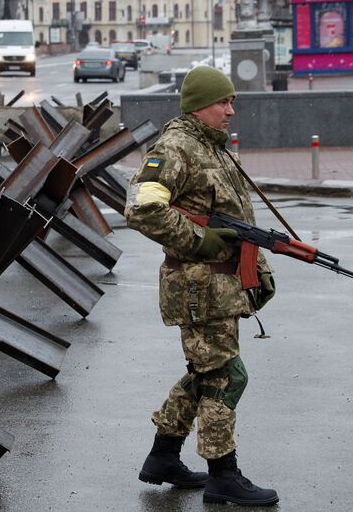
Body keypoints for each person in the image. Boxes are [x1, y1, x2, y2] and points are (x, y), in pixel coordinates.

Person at [125, 65, 279, 506]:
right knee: (227, 376)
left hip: (218, 285)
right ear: (199, 105)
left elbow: (237, 224)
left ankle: (162, 458)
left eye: (232, 101)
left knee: (205, 373)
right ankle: (223, 475)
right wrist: (199, 239)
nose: (231, 110)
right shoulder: (175, 148)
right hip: (197, 287)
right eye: (223, 102)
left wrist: (258, 269)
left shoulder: (212, 147)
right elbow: (141, 208)